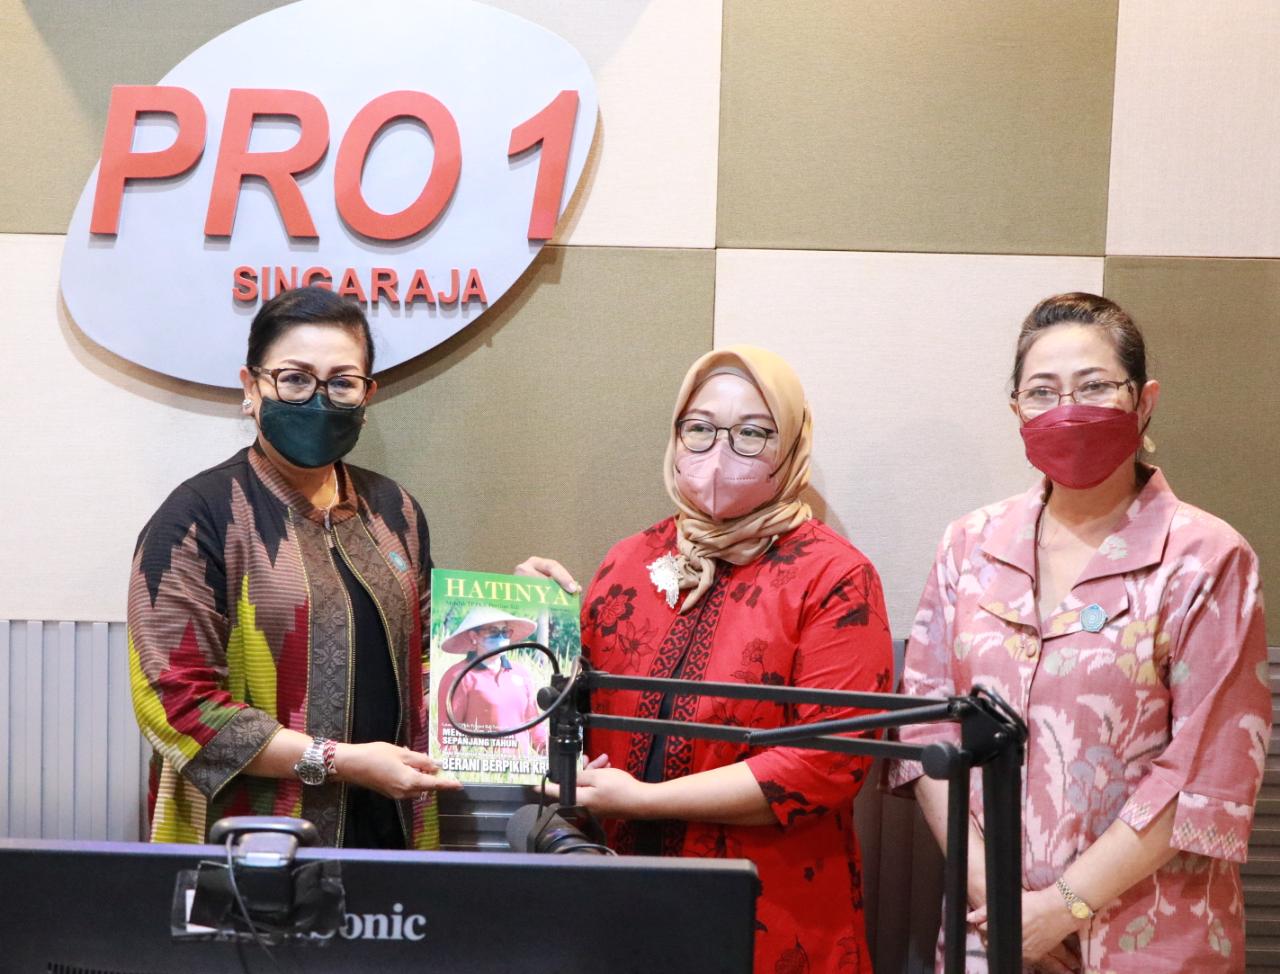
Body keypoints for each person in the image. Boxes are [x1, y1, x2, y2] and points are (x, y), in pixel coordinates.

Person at [887, 293, 1270, 972]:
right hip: (988, 931)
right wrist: (1003, 904)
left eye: (1094, 386)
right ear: (1017, 411)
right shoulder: (969, 547)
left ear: (1143, 402)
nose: (1067, 408)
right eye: (1042, 391)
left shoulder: (1207, 558)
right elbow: (925, 736)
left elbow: (1205, 767)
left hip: (1152, 938)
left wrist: (1061, 910)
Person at [518, 346, 894, 973]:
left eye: (753, 432)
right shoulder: (628, 562)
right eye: (700, 428)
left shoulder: (834, 578)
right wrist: (533, 619)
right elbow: (570, 715)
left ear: (791, 445)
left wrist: (644, 800)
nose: (720, 452)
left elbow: (827, 764)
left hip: (767, 911)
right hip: (617, 900)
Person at [128, 286, 461, 849]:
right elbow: (175, 702)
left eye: (342, 382)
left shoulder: (395, 510)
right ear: (251, 386)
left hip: (392, 823)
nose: (318, 399)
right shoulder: (198, 516)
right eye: (295, 378)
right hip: (251, 837)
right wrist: (339, 761)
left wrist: (515, 621)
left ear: (367, 394)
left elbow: (432, 659)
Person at [436, 606, 548, 755]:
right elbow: (448, 735)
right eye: (493, 631)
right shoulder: (458, 676)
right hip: (480, 765)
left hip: (520, 766)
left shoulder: (521, 673)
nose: (500, 637)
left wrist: (547, 749)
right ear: (474, 636)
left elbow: (534, 725)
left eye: (505, 632)